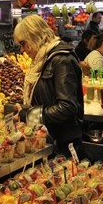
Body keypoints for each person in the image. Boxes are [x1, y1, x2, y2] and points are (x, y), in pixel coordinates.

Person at [14, 15, 84, 158]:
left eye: (23, 43)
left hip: (62, 144)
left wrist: (29, 114)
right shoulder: (42, 60)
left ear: (35, 36)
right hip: (47, 139)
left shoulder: (61, 59)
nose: (22, 49)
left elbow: (67, 106)